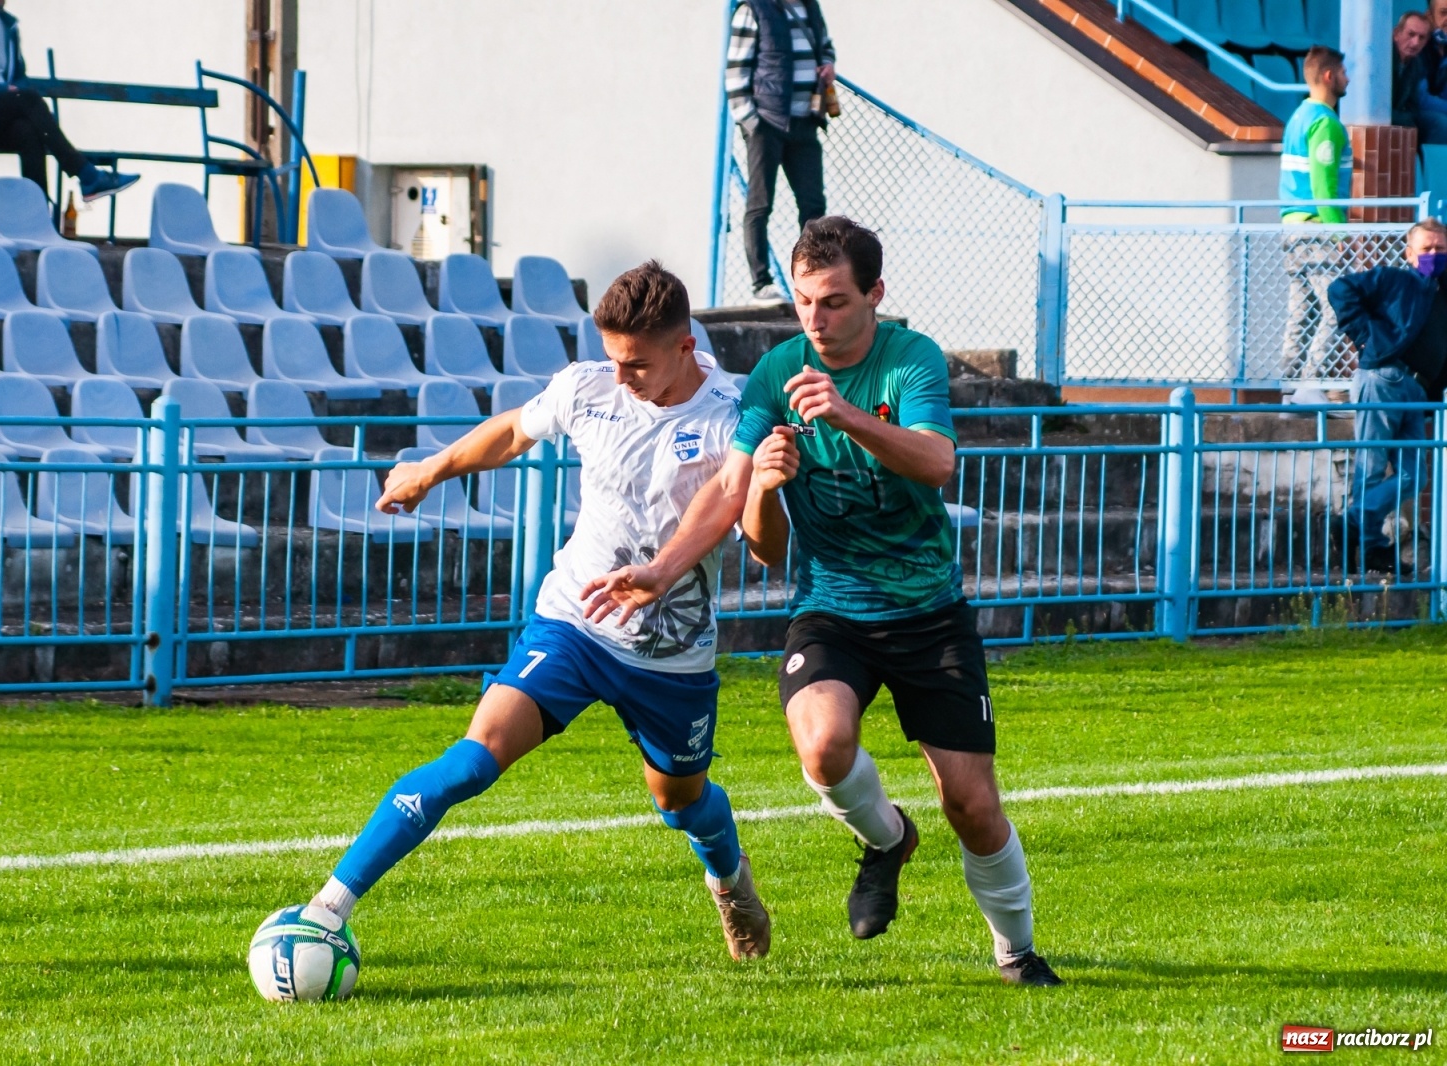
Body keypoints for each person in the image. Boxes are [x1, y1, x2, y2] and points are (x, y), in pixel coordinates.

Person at [580, 217, 1062, 987]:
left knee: (970, 804)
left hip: (928, 613)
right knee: (822, 745)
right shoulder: (775, 374)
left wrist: (845, 416)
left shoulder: (912, 362)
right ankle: (885, 841)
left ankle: (1017, 951)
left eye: (834, 301)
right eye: (803, 300)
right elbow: (755, 531)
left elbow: (938, 464)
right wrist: (749, 501)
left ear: (875, 294)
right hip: (833, 607)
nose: (814, 318)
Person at [306, 262, 772, 961]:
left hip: (670, 652)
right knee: (473, 760)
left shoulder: (730, 415)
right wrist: (430, 471)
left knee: (680, 801)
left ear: (684, 348)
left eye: (636, 364)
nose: (620, 376)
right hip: (575, 622)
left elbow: (736, 511)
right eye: (613, 358)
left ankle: (730, 881)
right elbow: (515, 432)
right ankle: (325, 911)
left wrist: (662, 569)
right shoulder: (588, 388)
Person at [1327, 217, 1447, 575]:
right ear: (1410, 254)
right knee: (1372, 465)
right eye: (1427, 248)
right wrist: (1368, 339)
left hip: (1419, 391)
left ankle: (1351, 523)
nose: (1434, 254)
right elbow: (1340, 289)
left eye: (1441, 248)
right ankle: (1371, 549)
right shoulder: (1393, 280)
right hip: (1384, 378)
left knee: (1415, 477)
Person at [0, 0, 136, 200]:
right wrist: (2, 89)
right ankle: (87, 175)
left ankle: (37, 214)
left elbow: (20, 76)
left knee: (28, 129)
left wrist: (32, 108)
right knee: (28, 100)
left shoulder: (8, 24)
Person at [725, 0, 833, 303]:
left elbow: (825, 45)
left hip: (805, 121)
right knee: (760, 205)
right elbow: (735, 73)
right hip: (767, 125)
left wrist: (827, 64)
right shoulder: (753, 9)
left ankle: (813, 277)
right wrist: (752, 123)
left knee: (814, 207)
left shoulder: (810, 7)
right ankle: (762, 284)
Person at [1279, 47, 1352, 406]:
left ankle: (1289, 387)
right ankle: (1312, 382)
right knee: (1338, 305)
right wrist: (1340, 234)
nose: (1348, 77)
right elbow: (1324, 185)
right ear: (1328, 76)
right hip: (1316, 227)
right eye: (1343, 71)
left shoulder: (1297, 117)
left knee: (1303, 308)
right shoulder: (1325, 122)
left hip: (1292, 226)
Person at [1395, 12, 1434, 139]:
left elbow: (1413, 105)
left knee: (1438, 123)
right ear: (1396, 34)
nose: (1415, 43)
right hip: (1372, 117)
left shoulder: (1416, 64)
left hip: (1399, 117)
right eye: (1411, 34)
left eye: (1421, 37)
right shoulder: (1383, 58)